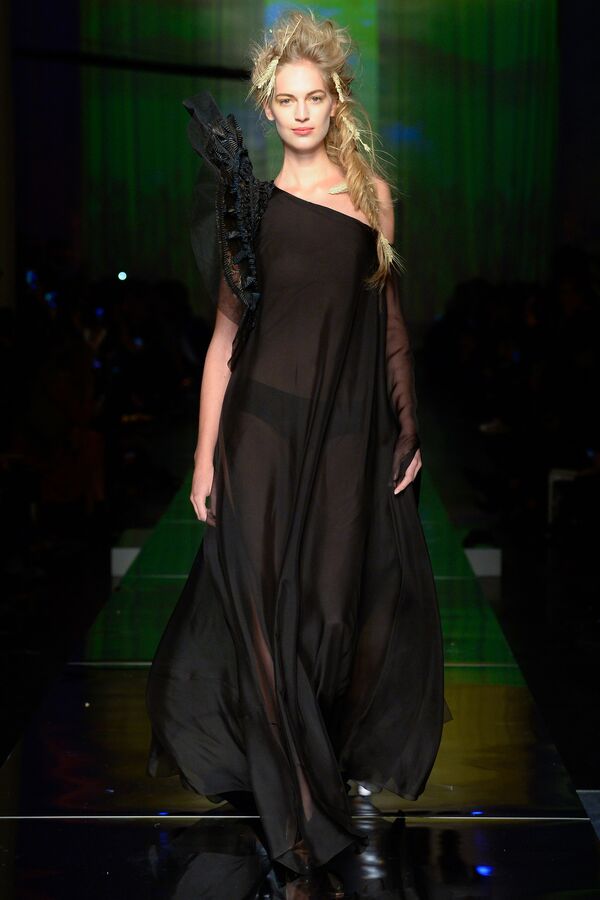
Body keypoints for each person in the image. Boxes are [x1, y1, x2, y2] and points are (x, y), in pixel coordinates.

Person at [145, 8, 452, 888]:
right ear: (268, 108)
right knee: (260, 610)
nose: (303, 112)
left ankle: (302, 776)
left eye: (315, 96)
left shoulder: (372, 199)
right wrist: (204, 458)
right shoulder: (252, 211)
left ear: (336, 100)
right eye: (287, 100)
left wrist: (407, 425)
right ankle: (298, 810)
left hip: (343, 437)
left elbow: (388, 324)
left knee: (325, 614)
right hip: (258, 432)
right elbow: (223, 343)